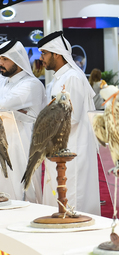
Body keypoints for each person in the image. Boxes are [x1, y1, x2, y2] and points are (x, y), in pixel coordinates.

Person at [38, 31, 100, 215]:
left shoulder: (72, 77)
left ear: (56, 54)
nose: (41, 58)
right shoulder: (59, 79)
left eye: (44, 53)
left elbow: (72, 117)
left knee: (73, 203)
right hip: (58, 149)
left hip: (72, 150)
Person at [0, 40, 46, 203]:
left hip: (24, 147)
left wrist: (7, 109)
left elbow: (2, 105)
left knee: (25, 194)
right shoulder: (5, 83)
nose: (1, 63)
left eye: (5, 59)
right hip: (5, 147)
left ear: (18, 59)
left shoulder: (31, 84)